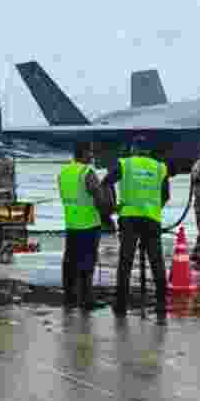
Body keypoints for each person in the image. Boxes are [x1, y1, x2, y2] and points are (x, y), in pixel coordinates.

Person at [103, 135, 170, 319]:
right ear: (148, 151)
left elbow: (106, 182)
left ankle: (121, 304)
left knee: (125, 262)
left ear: (133, 149)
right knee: (157, 262)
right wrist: (154, 208)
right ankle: (162, 304)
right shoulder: (160, 167)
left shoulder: (125, 164)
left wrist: (112, 206)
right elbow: (166, 196)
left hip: (129, 218)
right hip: (151, 219)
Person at [58, 141, 109, 310]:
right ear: (83, 153)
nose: (92, 156)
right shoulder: (87, 172)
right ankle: (86, 300)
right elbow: (99, 198)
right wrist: (107, 214)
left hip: (71, 224)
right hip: (89, 225)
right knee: (87, 262)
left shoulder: (64, 173)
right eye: (90, 153)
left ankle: (69, 298)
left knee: (70, 262)